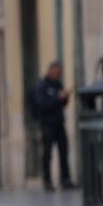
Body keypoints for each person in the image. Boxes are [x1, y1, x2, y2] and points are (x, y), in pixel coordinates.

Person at [30, 62, 74, 191]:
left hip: (59, 124)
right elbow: (41, 104)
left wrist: (65, 97)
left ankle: (65, 179)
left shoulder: (58, 84)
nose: (58, 75)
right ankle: (47, 180)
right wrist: (57, 98)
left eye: (59, 74)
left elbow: (63, 103)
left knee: (64, 152)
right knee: (47, 154)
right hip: (47, 125)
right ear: (50, 71)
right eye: (56, 73)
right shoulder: (41, 86)